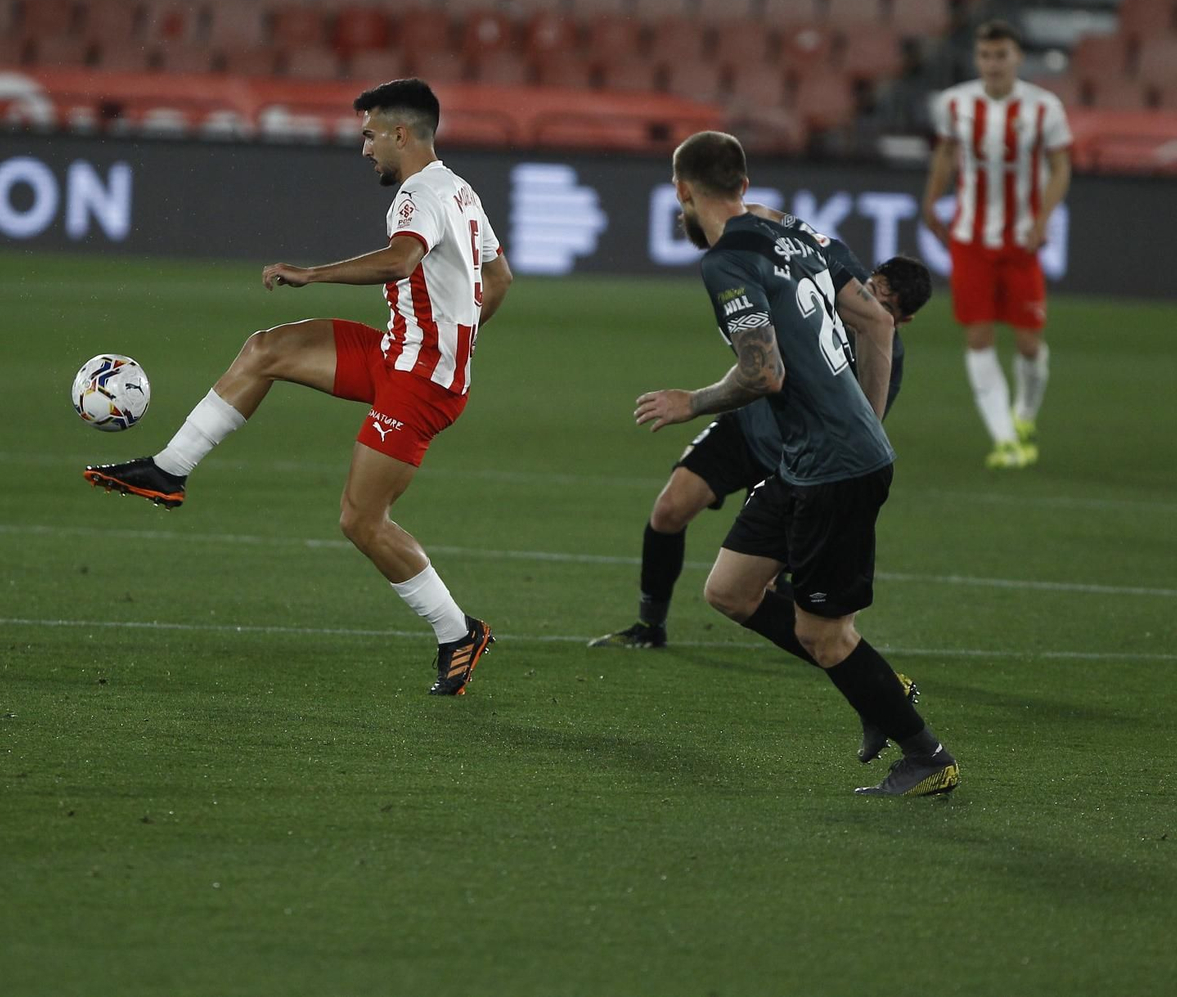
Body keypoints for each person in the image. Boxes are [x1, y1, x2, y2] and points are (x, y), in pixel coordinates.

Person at [83, 79, 513, 696]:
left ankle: (458, 632)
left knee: (361, 520)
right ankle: (169, 471)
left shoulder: (417, 197)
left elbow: (401, 261)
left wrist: (312, 273)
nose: (364, 149)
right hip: (399, 354)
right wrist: (460, 336)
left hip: (421, 382)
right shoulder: (461, 191)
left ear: (399, 133)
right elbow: (498, 277)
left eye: (369, 135)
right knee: (267, 349)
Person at [635, 131, 959, 797]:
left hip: (833, 466)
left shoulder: (726, 261)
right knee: (729, 590)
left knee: (822, 631)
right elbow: (875, 320)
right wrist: (869, 419)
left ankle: (927, 754)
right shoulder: (798, 234)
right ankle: (874, 695)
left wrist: (689, 401)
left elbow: (766, 372)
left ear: (683, 191)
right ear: (745, 184)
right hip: (809, 459)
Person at [591, 250, 931, 653]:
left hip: (799, 459)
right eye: (872, 291)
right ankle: (650, 625)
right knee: (669, 509)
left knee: (758, 586)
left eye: (887, 308)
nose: (873, 306)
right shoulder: (827, 285)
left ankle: (835, 650)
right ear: (866, 278)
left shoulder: (882, 353)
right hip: (749, 424)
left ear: (903, 320)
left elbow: (863, 429)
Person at [922, 18, 1072, 469]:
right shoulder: (956, 103)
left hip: (1021, 239)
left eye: (1001, 55)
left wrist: (1043, 219)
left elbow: (1060, 166)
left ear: (1018, 58)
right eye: (985, 55)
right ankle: (1004, 438)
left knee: (1029, 342)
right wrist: (931, 202)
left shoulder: (1044, 108)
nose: (992, 63)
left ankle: (1024, 415)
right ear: (977, 58)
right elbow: (947, 153)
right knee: (979, 335)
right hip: (971, 238)